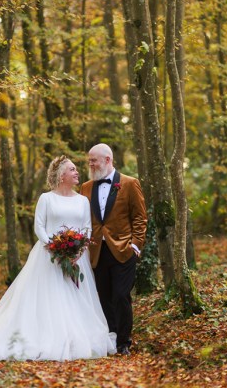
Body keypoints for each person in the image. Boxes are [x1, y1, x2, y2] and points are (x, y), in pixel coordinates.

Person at [0, 156, 116, 361]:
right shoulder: (46, 199)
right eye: (72, 170)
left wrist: (78, 252)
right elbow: (39, 226)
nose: (77, 173)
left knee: (76, 299)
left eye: (76, 169)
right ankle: (47, 338)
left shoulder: (83, 200)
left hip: (77, 258)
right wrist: (54, 248)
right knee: (49, 298)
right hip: (48, 257)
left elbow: (87, 228)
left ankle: (75, 340)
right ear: (61, 175)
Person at [80, 143, 148, 356]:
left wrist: (136, 245)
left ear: (107, 160)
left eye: (94, 160)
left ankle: (124, 341)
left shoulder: (129, 183)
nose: (90, 164)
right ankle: (110, 337)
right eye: (89, 160)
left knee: (121, 295)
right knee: (104, 296)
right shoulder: (85, 187)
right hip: (96, 251)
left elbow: (140, 217)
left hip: (124, 249)